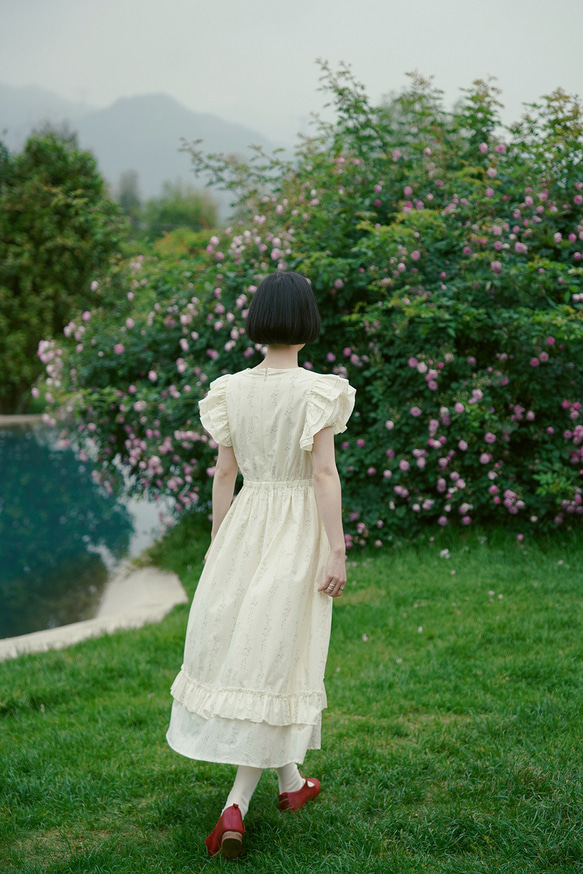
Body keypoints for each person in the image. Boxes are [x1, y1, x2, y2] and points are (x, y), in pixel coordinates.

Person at [166, 270, 356, 859]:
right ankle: (237, 805)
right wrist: (336, 546)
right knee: (279, 657)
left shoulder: (230, 389)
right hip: (296, 526)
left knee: (268, 653)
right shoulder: (318, 390)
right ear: (307, 322)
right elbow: (323, 474)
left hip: (248, 522)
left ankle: (293, 785)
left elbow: (224, 473)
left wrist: (221, 540)